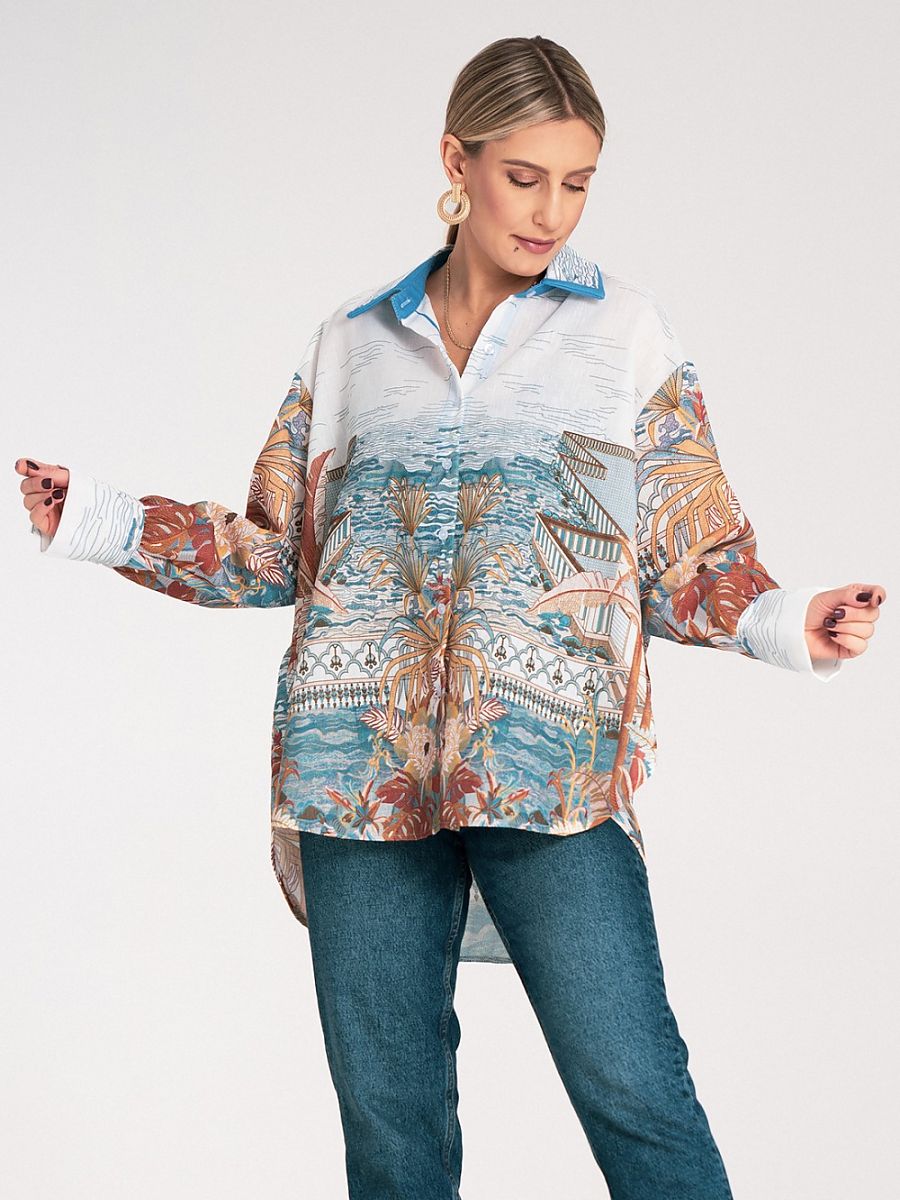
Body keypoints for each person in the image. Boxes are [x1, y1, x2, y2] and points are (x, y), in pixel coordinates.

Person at [16, 33, 885, 1200]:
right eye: (525, 177)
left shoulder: (618, 340)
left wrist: (788, 619)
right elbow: (278, 550)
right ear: (456, 161)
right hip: (355, 772)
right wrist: (104, 518)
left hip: (549, 769)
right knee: (392, 1134)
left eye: (576, 183)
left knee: (637, 1095)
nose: (551, 211)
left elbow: (666, 557)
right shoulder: (353, 345)